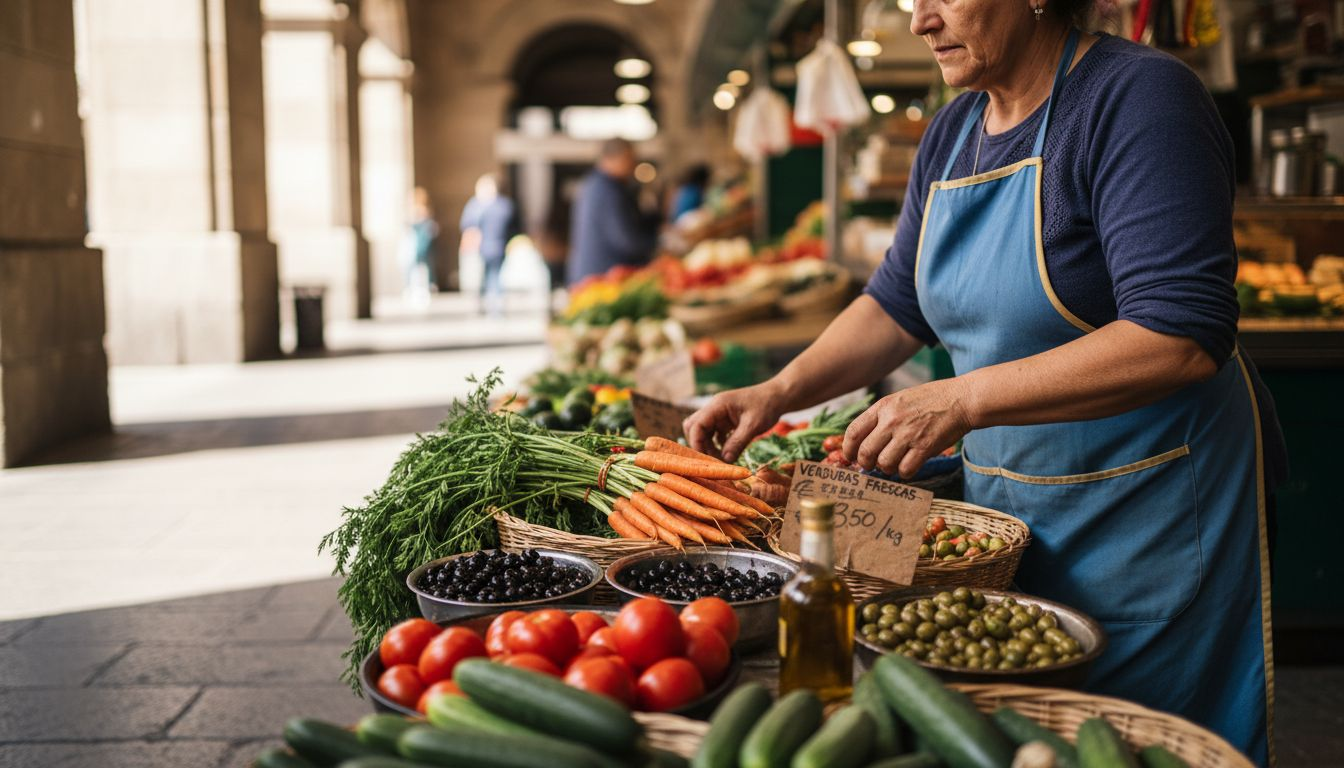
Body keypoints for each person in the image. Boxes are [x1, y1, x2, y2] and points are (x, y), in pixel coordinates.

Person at [683, 3, 1284, 764]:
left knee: (1132, 740)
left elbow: (1181, 332)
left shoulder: (1139, 97)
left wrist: (961, 398)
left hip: (1148, 512)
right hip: (1008, 506)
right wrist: (778, 392)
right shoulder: (954, 129)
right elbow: (895, 304)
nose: (921, 21)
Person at [567, 138, 660, 286]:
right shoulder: (608, 190)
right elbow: (626, 239)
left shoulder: (594, 184)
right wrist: (660, 243)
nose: (633, 164)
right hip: (603, 279)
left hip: (592, 276)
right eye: (630, 158)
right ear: (613, 158)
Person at [459, 173, 518, 316]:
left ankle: (486, 305)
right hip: (499, 246)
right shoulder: (506, 205)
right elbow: (515, 227)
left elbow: (466, 225)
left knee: (485, 277)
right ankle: (495, 307)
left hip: (483, 247)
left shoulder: (477, 206)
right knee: (495, 277)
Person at [402, 187, 439, 306]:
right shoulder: (421, 212)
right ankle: (421, 287)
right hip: (418, 245)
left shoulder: (423, 213)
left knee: (419, 266)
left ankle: (422, 288)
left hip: (420, 245)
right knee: (418, 267)